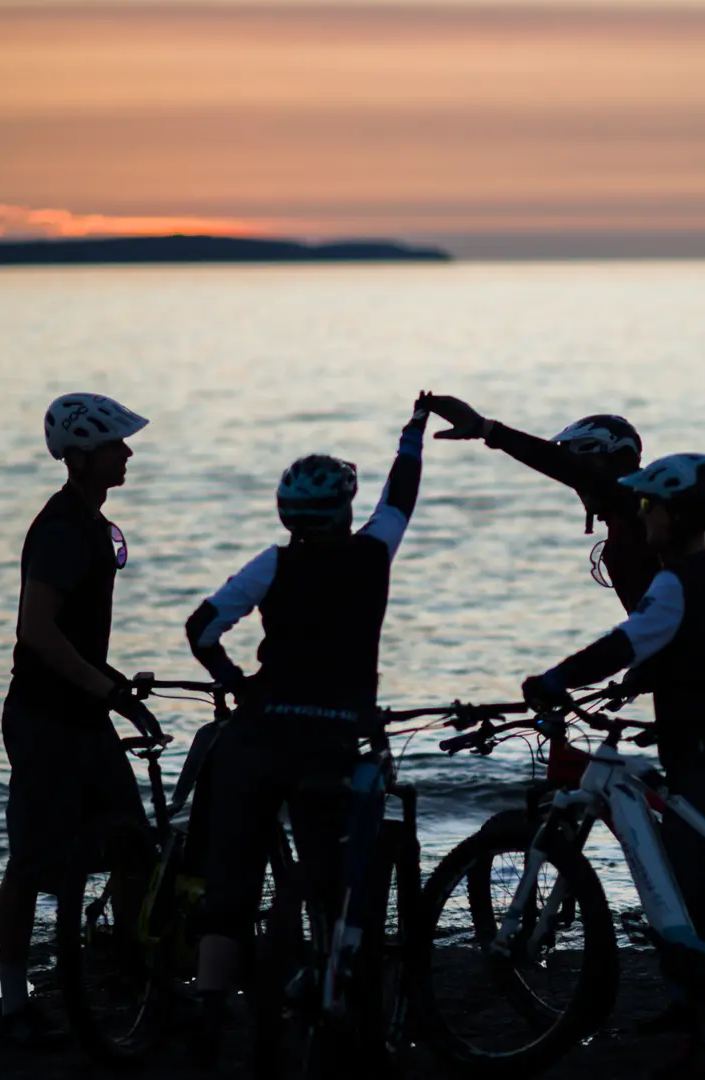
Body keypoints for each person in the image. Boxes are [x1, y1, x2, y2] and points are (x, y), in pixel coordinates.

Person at [520, 452, 705, 1077]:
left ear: (674, 516)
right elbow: (688, 642)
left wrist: (556, 677)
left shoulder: (672, 580)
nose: (641, 515)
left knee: (683, 891)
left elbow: (631, 638)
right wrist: (635, 681)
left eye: (649, 507)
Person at [184, 395, 430, 1070]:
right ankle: (336, 981)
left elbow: (201, 629)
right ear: (344, 511)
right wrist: (412, 436)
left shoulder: (272, 564)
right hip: (333, 738)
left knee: (230, 879)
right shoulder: (372, 555)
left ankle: (210, 1012)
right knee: (332, 875)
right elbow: (400, 499)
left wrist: (235, 681)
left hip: (259, 734)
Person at [0, 393, 165, 1046]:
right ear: (86, 455)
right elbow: (36, 630)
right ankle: (14, 1004)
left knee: (133, 849)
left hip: (84, 712)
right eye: (117, 445)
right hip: (44, 718)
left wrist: (112, 687)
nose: (128, 453)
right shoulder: (67, 527)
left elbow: (73, 635)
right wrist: (109, 690)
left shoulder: (90, 524)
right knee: (32, 862)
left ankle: (130, 968)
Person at [420, 396, 656, 611]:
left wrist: (486, 430)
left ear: (610, 460)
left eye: (582, 466)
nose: (577, 487)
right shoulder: (623, 513)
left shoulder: (646, 503)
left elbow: (572, 471)